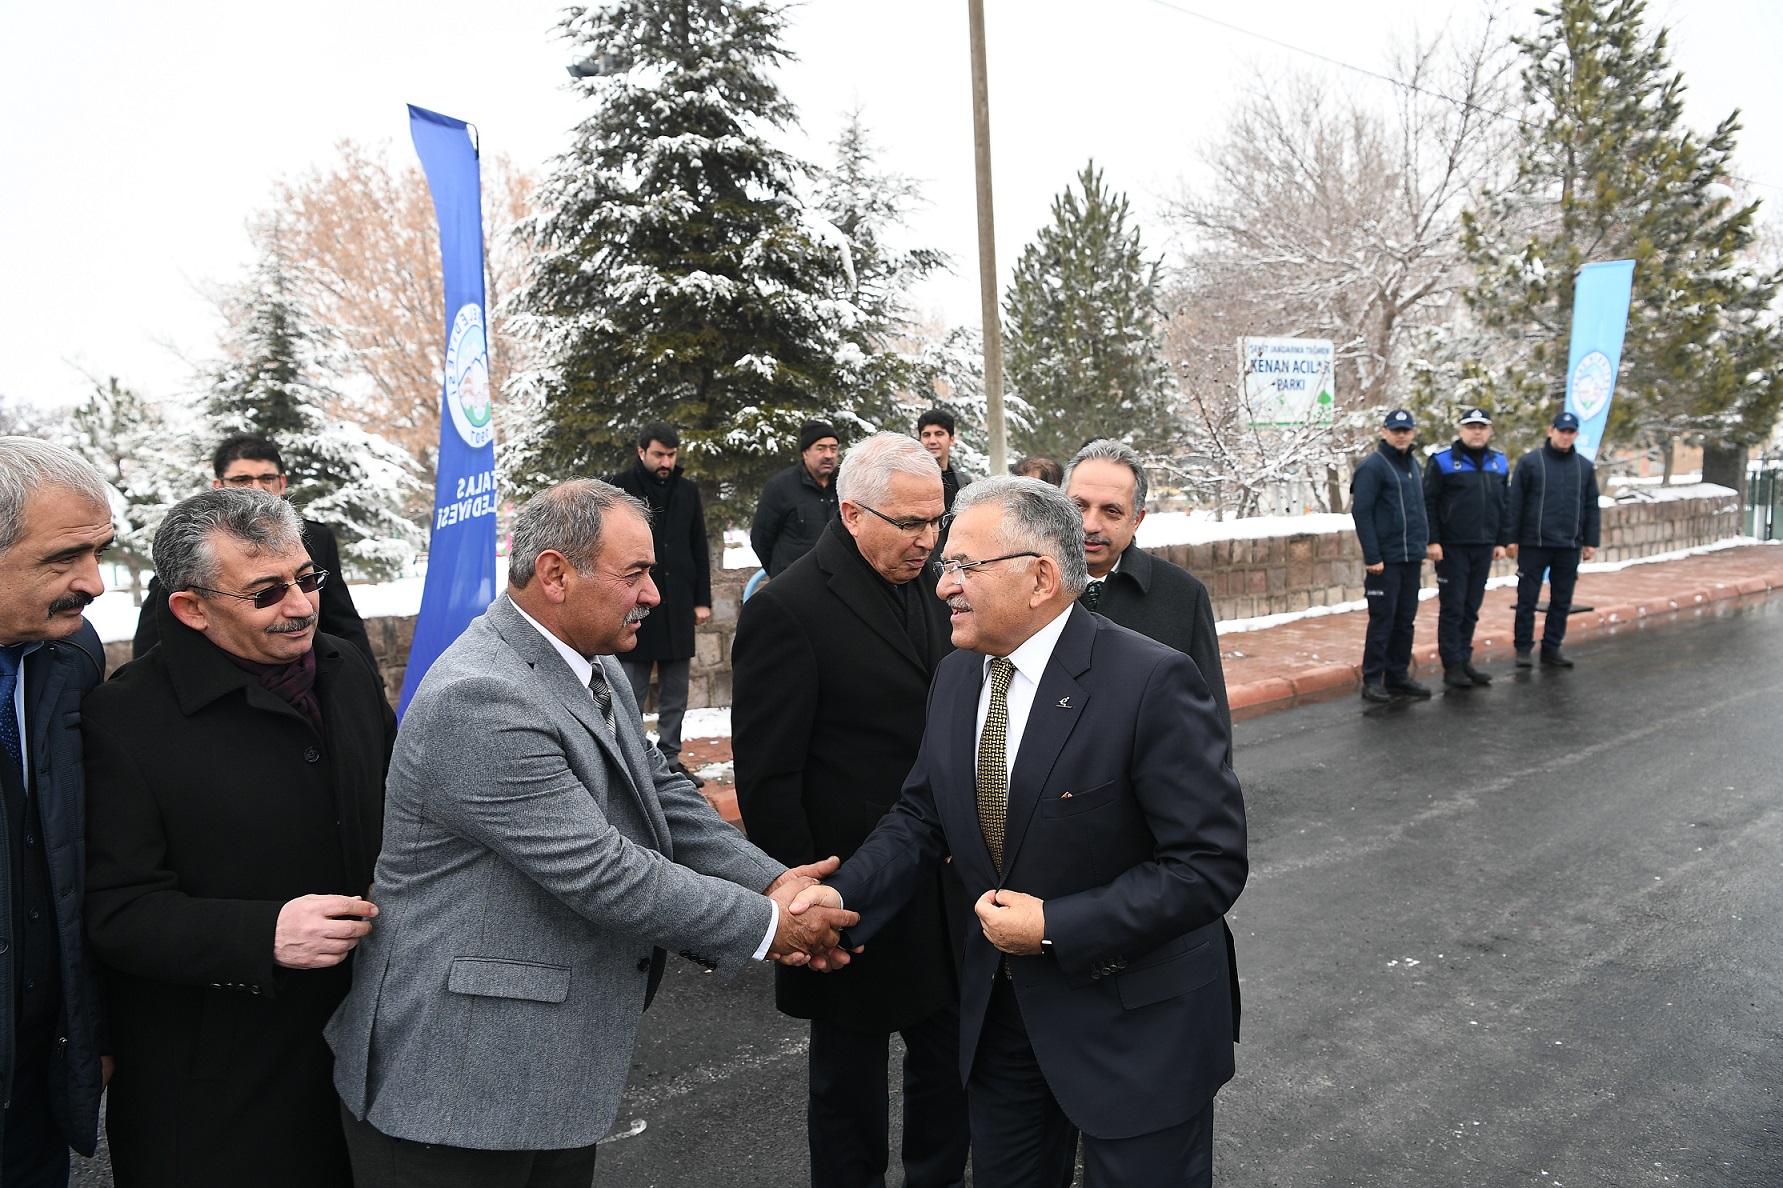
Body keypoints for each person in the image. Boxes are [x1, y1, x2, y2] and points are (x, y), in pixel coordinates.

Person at [326, 478, 856, 1186]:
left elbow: (658, 790)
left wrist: (771, 879)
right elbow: (601, 870)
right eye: (634, 574)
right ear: (554, 573)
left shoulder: (592, 660)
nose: (654, 596)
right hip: (454, 1088)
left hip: (542, 1074)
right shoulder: (481, 696)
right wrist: (771, 925)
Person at [812, 476, 1247, 1188]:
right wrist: (841, 903)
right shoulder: (956, 677)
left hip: (1137, 1027)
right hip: (1003, 1022)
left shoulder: (1151, 682)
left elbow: (1208, 865)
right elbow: (921, 816)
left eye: (962, 566)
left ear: (1039, 576)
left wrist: (1054, 925)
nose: (942, 584)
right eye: (945, 565)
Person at [81, 489, 393, 1187]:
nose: (301, 606)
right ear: (191, 608)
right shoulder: (121, 721)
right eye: (266, 593)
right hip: (213, 1093)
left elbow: (396, 817)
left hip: (362, 1063)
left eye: (308, 580)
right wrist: (262, 935)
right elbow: (114, 910)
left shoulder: (344, 675)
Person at [733, 433, 969, 1188]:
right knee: (848, 1088)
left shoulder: (937, 592)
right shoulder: (786, 609)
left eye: (936, 521)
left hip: (942, 885)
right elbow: (769, 780)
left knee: (949, 1067)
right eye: (908, 523)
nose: (926, 540)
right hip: (847, 891)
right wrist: (805, 904)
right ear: (851, 513)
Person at [0, 438, 111, 1187]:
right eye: (66, 557)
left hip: (35, 1076)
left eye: (101, 552)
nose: (95, 583)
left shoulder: (73, 658)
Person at [131, 434, 376, 672]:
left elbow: (342, 619)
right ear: (218, 486)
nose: (257, 489)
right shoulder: (195, 542)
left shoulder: (316, 537)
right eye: (242, 479)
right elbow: (156, 633)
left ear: (283, 482)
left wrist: (367, 681)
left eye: (267, 478)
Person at [1064, 439, 1231, 739]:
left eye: (1111, 511)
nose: (1090, 524)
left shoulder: (1182, 596)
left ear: (1136, 520)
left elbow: (1207, 714)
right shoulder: (1025, 586)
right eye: (1079, 506)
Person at [608, 422, 712, 787]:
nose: (666, 461)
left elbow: (699, 546)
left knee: (675, 690)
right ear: (642, 452)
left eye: (671, 454)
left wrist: (702, 600)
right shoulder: (620, 488)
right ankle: (633, 758)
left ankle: (670, 758)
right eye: (658, 454)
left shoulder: (687, 490)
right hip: (635, 601)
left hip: (680, 604)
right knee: (629, 688)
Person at [1423, 408, 1511, 689]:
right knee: (1453, 607)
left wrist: (1500, 540)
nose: (1477, 432)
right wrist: (1432, 540)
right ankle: (1452, 665)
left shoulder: (1499, 462)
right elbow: (1429, 503)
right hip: (1452, 548)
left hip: (1484, 546)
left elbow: (1504, 504)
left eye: (1482, 427)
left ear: (1489, 431)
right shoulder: (1443, 462)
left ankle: (1465, 659)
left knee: (1472, 607)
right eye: (1471, 426)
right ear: (1461, 430)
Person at [1506, 411, 1601, 668]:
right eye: (1562, 431)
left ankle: (1552, 648)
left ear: (1576, 435)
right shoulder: (1530, 462)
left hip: (1568, 545)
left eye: (1570, 432)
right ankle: (1523, 649)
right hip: (1533, 544)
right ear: (1551, 431)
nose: (1565, 436)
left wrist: (1590, 541)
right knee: (1527, 599)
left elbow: (1591, 505)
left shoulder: (1583, 466)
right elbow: (1516, 503)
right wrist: (1511, 539)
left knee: (1562, 600)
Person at [1351, 409, 1432, 703]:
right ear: (1384, 432)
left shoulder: (1413, 464)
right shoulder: (1373, 466)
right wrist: (1373, 556)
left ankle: (1397, 675)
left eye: (1406, 430)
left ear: (1412, 433)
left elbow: (1419, 509)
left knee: (1405, 620)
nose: (1401, 435)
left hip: (1410, 558)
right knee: (1382, 620)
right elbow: (1362, 512)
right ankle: (1373, 678)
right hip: (1384, 561)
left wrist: (1421, 546)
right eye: (1395, 430)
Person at [751, 419, 842, 577]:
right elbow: (761, 539)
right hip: (793, 586)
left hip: (838, 582)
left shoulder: (845, 485)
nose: (828, 455)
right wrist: (780, 574)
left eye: (833, 449)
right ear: (805, 452)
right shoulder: (780, 487)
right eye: (820, 449)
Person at [918, 409, 974, 510]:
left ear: (952, 440)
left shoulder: (965, 484)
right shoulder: (911, 481)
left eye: (939, 434)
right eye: (926, 435)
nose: (932, 441)